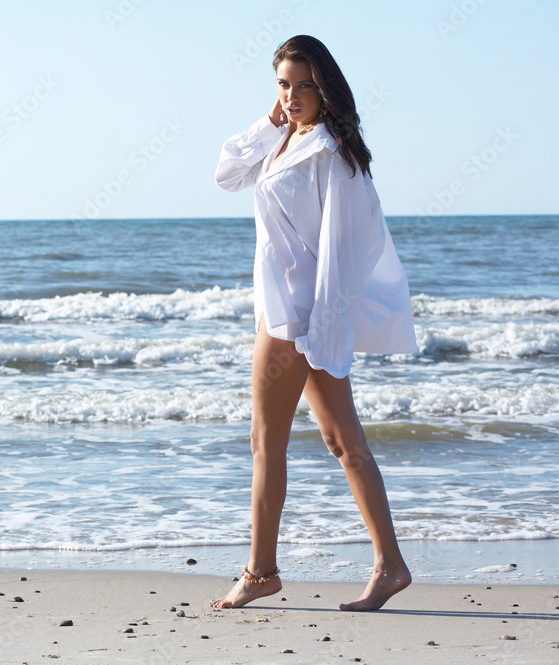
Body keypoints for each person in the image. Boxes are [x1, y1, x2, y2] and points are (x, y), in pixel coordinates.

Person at [210, 35, 418, 612]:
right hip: (289, 312)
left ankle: (260, 572)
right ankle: (392, 566)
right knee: (341, 440)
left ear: (325, 86)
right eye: (284, 84)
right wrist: (269, 120)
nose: (294, 95)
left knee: (265, 441)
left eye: (305, 84)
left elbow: (342, 253)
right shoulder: (284, 137)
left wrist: (323, 334)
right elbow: (227, 172)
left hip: (298, 319)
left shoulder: (332, 155)